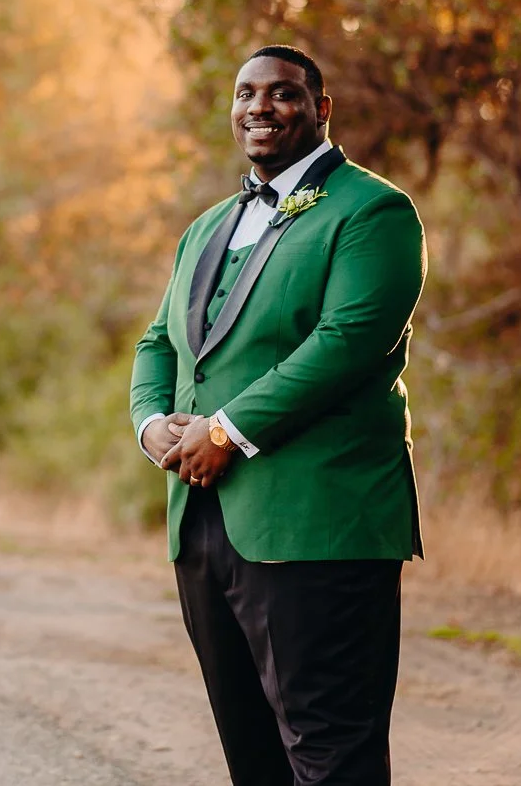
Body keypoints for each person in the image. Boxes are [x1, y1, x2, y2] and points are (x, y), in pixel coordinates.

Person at [129, 44, 427, 786]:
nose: (260, 106)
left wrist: (224, 430)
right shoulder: (206, 226)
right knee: (251, 754)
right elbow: (160, 340)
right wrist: (152, 424)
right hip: (203, 525)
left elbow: (347, 343)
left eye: (283, 93)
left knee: (331, 753)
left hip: (318, 524)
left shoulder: (373, 211)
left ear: (321, 110)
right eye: (245, 93)